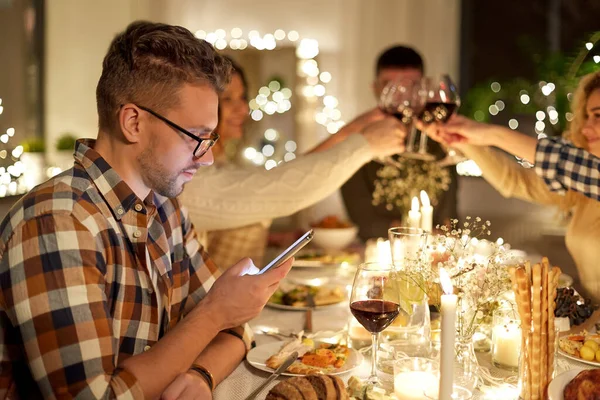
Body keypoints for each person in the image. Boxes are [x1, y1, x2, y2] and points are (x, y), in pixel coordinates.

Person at [0, 21, 294, 399]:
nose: (206, 159)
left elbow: (237, 329)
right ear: (133, 122)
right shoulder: (56, 224)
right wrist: (214, 314)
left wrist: (202, 374)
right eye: (197, 138)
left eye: (211, 138)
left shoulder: (165, 205)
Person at [181, 57, 407, 268]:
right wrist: (365, 145)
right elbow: (278, 187)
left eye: (242, 97)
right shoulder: (189, 172)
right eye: (228, 99)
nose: (243, 109)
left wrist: (352, 129)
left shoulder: (220, 162)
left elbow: (276, 180)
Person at [421, 70, 600, 302]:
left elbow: (561, 162)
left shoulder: (585, 174)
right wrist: (464, 140)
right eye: (586, 116)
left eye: (598, 116)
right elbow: (516, 180)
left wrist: (489, 134)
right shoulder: (579, 185)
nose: (586, 128)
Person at [339, 45, 459, 240]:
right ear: (375, 88)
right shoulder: (358, 143)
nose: (400, 97)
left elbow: (450, 221)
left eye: (409, 86)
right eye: (389, 86)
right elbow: (364, 223)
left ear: (423, 90)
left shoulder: (440, 144)